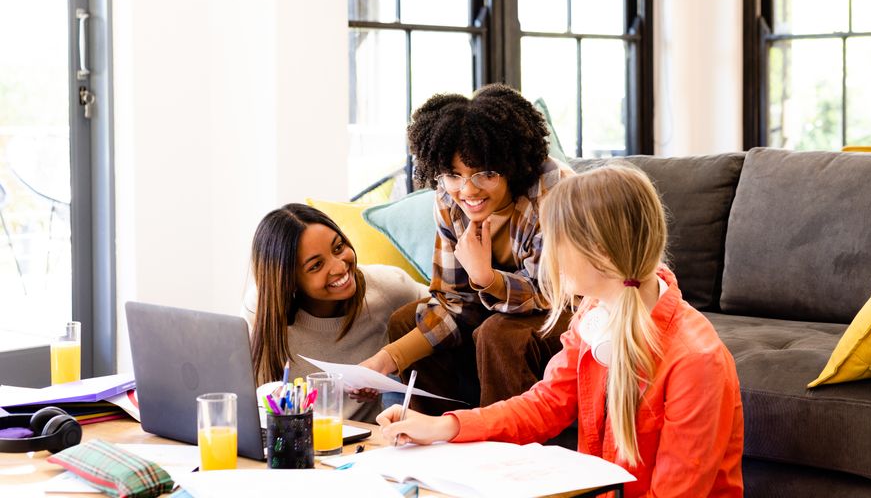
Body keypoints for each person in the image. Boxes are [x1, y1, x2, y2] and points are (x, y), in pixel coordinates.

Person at [376, 164, 745, 498]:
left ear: (599, 252)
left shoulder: (696, 361)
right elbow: (545, 405)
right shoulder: (594, 313)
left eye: (556, 242)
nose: (547, 257)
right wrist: (443, 427)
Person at [359, 84, 574, 409]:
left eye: (484, 174)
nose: (467, 190)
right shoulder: (447, 198)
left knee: (500, 334)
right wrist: (384, 361)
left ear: (510, 165)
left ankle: (501, 446)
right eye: (453, 175)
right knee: (406, 321)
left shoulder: (552, 190)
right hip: (503, 306)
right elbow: (455, 301)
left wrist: (486, 278)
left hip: (568, 309)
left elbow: (551, 294)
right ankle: (434, 437)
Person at [248, 203, 427, 422]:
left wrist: (388, 369)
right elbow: (244, 391)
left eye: (338, 247)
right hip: (292, 441)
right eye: (316, 266)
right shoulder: (261, 307)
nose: (340, 267)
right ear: (289, 281)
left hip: (365, 443)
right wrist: (271, 393)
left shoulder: (386, 288)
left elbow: (448, 312)